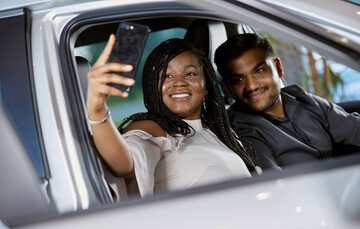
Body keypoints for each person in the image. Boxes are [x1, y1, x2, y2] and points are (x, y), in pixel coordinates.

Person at [86, 36, 257, 197]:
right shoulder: (152, 128)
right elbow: (124, 164)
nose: (179, 82)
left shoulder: (221, 132)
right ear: (154, 88)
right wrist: (98, 110)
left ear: (206, 85)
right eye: (167, 76)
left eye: (190, 73)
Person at [214, 33, 360, 171]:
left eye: (259, 71)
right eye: (239, 79)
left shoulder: (301, 99)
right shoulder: (242, 131)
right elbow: (274, 185)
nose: (251, 86)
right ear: (228, 87)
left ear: (278, 68)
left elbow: (355, 129)